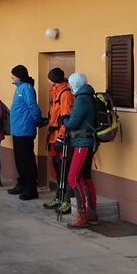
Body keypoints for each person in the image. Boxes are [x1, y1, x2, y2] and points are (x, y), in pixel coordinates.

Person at [63, 72, 99, 228]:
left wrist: (64, 119)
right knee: (85, 177)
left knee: (73, 177)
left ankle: (82, 214)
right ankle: (91, 212)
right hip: (89, 142)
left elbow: (73, 123)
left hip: (82, 143)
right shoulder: (89, 96)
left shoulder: (81, 99)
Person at [7, 64, 45, 201]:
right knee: (20, 160)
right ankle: (22, 183)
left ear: (19, 76)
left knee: (27, 161)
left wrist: (38, 121)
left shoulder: (27, 88)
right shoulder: (20, 88)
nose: (12, 77)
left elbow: (33, 107)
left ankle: (31, 188)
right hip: (18, 130)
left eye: (13, 75)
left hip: (25, 130)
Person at [44, 68, 74, 215]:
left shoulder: (65, 94)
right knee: (58, 169)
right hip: (54, 136)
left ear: (53, 79)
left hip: (61, 138)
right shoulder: (56, 92)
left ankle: (67, 200)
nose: (48, 81)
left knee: (65, 170)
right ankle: (59, 196)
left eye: (49, 78)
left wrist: (61, 137)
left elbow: (65, 118)